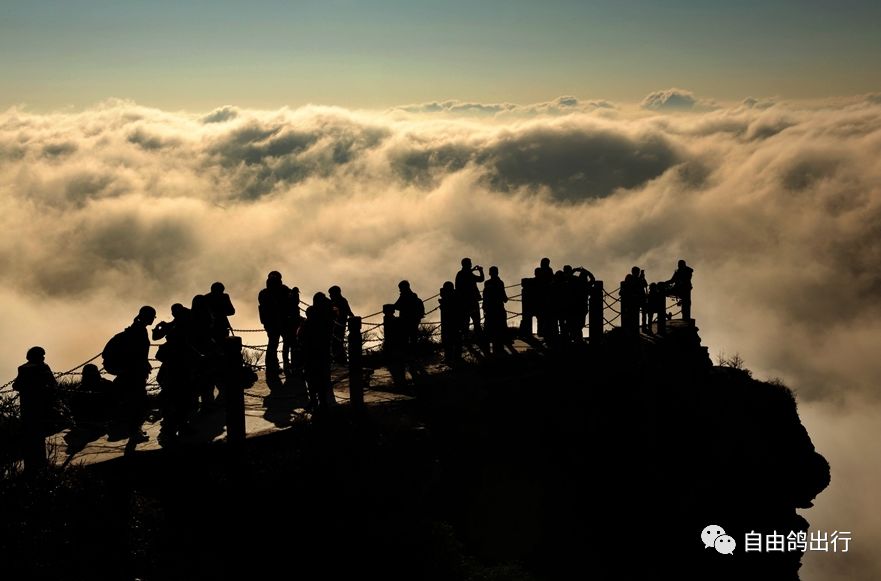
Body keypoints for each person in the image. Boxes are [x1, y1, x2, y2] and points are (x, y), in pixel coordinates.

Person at [115, 306, 156, 449]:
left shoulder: (137, 328)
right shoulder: (139, 330)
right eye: (152, 316)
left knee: (136, 402)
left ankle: (134, 430)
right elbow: (136, 353)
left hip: (133, 372)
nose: (153, 319)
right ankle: (134, 431)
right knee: (137, 403)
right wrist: (142, 364)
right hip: (134, 373)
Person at [13, 346, 57, 472]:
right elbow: (53, 385)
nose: (43, 357)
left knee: (29, 437)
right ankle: (41, 464)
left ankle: (31, 465)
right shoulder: (43, 367)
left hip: (27, 409)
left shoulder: (22, 368)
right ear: (37, 356)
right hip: (40, 408)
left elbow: (16, 385)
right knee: (39, 437)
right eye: (42, 355)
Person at [258, 271, 292, 371]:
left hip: (271, 322)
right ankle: (284, 363)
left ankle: (272, 365)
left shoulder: (264, 293)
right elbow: (290, 302)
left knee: (273, 344)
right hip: (281, 321)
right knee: (284, 343)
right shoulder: (283, 290)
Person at [482, 266, 509, 355]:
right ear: (497, 273)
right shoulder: (500, 283)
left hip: (490, 310)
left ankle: (488, 349)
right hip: (499, 309)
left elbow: (485, 297)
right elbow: (504, 298)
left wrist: (484, 308)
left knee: (489, 329)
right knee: (500, 328)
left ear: (490, 273)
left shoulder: (487, 283)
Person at [455, 258, 484, 338]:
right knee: (475, 321)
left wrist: (473, 270)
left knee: (467, 322)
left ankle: (467, 339)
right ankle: (478, 337)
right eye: (470, 263)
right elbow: (481, 279)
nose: (471, 264)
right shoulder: (467, 274)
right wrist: (480, 270)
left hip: (465, 302)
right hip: (470, 301)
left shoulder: (461, 274)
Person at [393, 280, 425, 353]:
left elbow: (396, 306)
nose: (400, 290)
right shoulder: (414, 297)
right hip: (414, 321)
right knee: (414, 338)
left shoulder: (404, 296)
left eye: (400, 288)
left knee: (405, 339)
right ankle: (414, 354)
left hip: (406, 321)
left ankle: (408, 355)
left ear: (404, 288)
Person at [328, 285, 354, 365]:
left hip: (339, 326)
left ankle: (340, 360)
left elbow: (349, 312)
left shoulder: (342, 301)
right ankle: (338, 360)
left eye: (331, 294)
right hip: (334, 326)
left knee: (337, 343)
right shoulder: (333, 302)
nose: (330, 296)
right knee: (335, 343)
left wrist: (352, 318)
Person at [439, 281, 461, 364]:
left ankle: (449, 357)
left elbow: (447, 308)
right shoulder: (456, 295)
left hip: (449, 322)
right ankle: (455, 357)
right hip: (454, 322)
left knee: (449, 340)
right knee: (455, 340)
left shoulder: (450, 297)